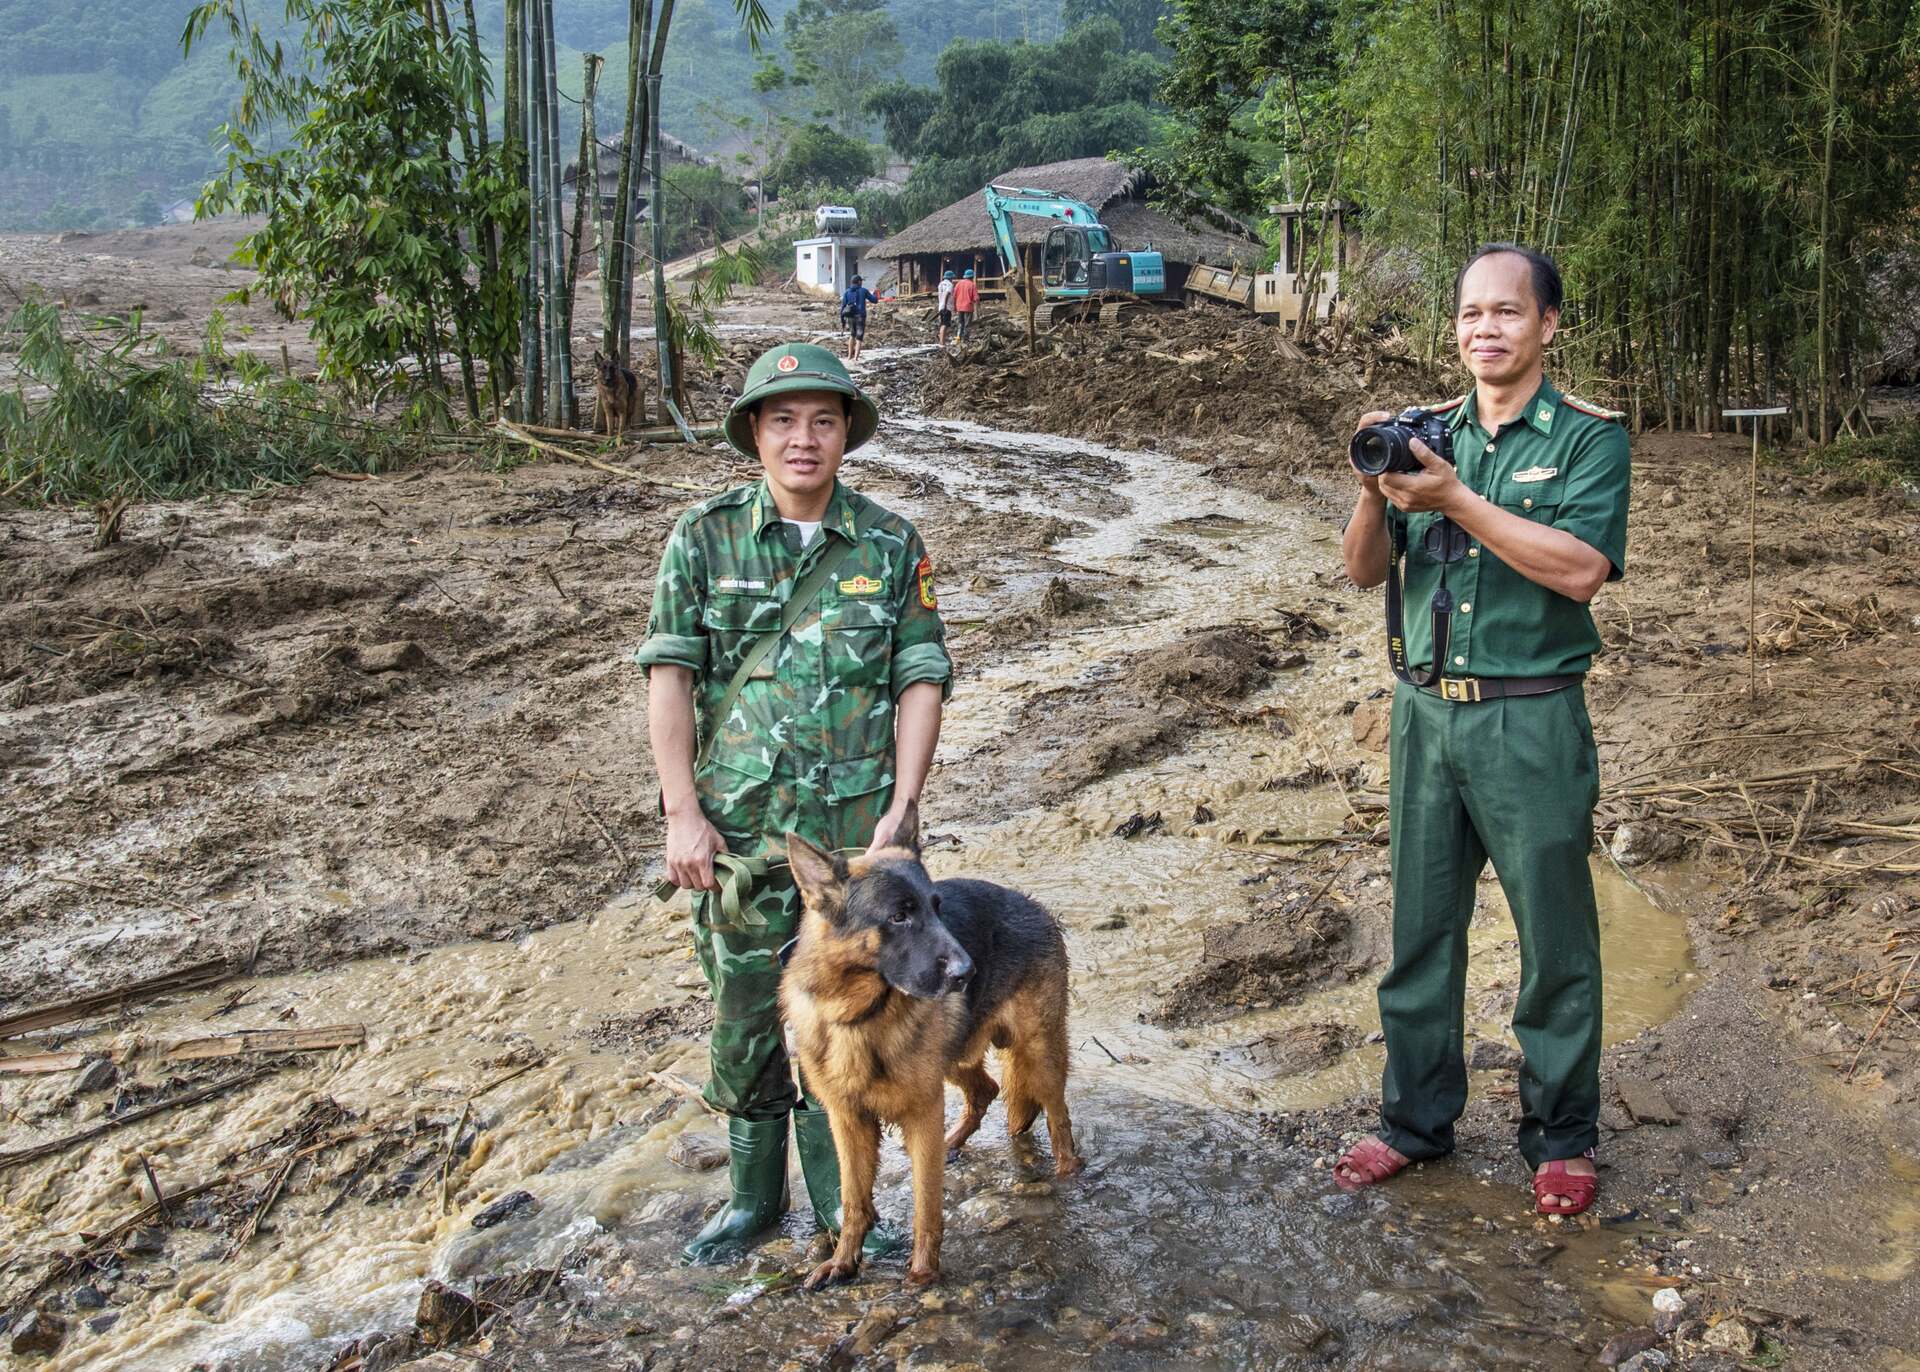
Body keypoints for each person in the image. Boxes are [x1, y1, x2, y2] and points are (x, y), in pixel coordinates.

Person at [635, 341, 953, 1264]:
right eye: (783, 420)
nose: (803, 439)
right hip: (738, 841)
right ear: (755, 434)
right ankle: (751, 1201)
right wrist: (681, 812)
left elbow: (921, 676)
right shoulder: (703, 537)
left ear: (847, 433)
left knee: (859, 1022)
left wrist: (903, 808)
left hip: (860, 848)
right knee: (744, 1016)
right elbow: (670, 673)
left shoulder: (891, 544)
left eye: (823, 419)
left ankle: (844, 1211)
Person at [1332, 243, 1630, 1217]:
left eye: (1507, 312)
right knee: (1420, 933)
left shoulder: (1588, 439)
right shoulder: (1428, 435)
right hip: (1424, 715)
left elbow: (1581, 568)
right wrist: (1379, 484)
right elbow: (1364, 572)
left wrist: (1458, 496)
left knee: (1554, 937)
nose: (1486, 330)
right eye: (1470, 315)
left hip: (1531, 717)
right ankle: (1414, 1122)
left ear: (1548, 324)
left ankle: (1561, 1135)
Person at [838, 274, 878, 361]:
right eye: (861, 281)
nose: (862, 283)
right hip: (860, 316)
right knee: (859, 337)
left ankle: (849, 356)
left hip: (850, 317)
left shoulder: (847, 292)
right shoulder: (863, 291)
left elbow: (843, 307)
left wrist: (842, 321)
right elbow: (874, 300)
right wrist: (874, 294)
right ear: (859, 282)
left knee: (852, 335)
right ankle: (856, 358)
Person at [952, 267, 979, 341]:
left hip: (959, 307)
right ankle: (965, 339)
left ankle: (959, 337)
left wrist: (954, 307)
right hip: (968, 307)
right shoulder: (972, 285)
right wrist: (977, 310)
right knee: (967, 324)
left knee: (960, 323)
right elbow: (976, 298)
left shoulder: (958, 284)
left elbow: (954, 296)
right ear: (972, 277)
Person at [936, 269, 956, 348]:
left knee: (943, 324)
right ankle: (942, 343)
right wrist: (945, 304)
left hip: (941, 306)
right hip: (946, 307)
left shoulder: (940, 284)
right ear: (951, 278)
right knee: (945, 324)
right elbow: (947, 293)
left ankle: (941, 340)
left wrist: (942, 304)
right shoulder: (949, 285)